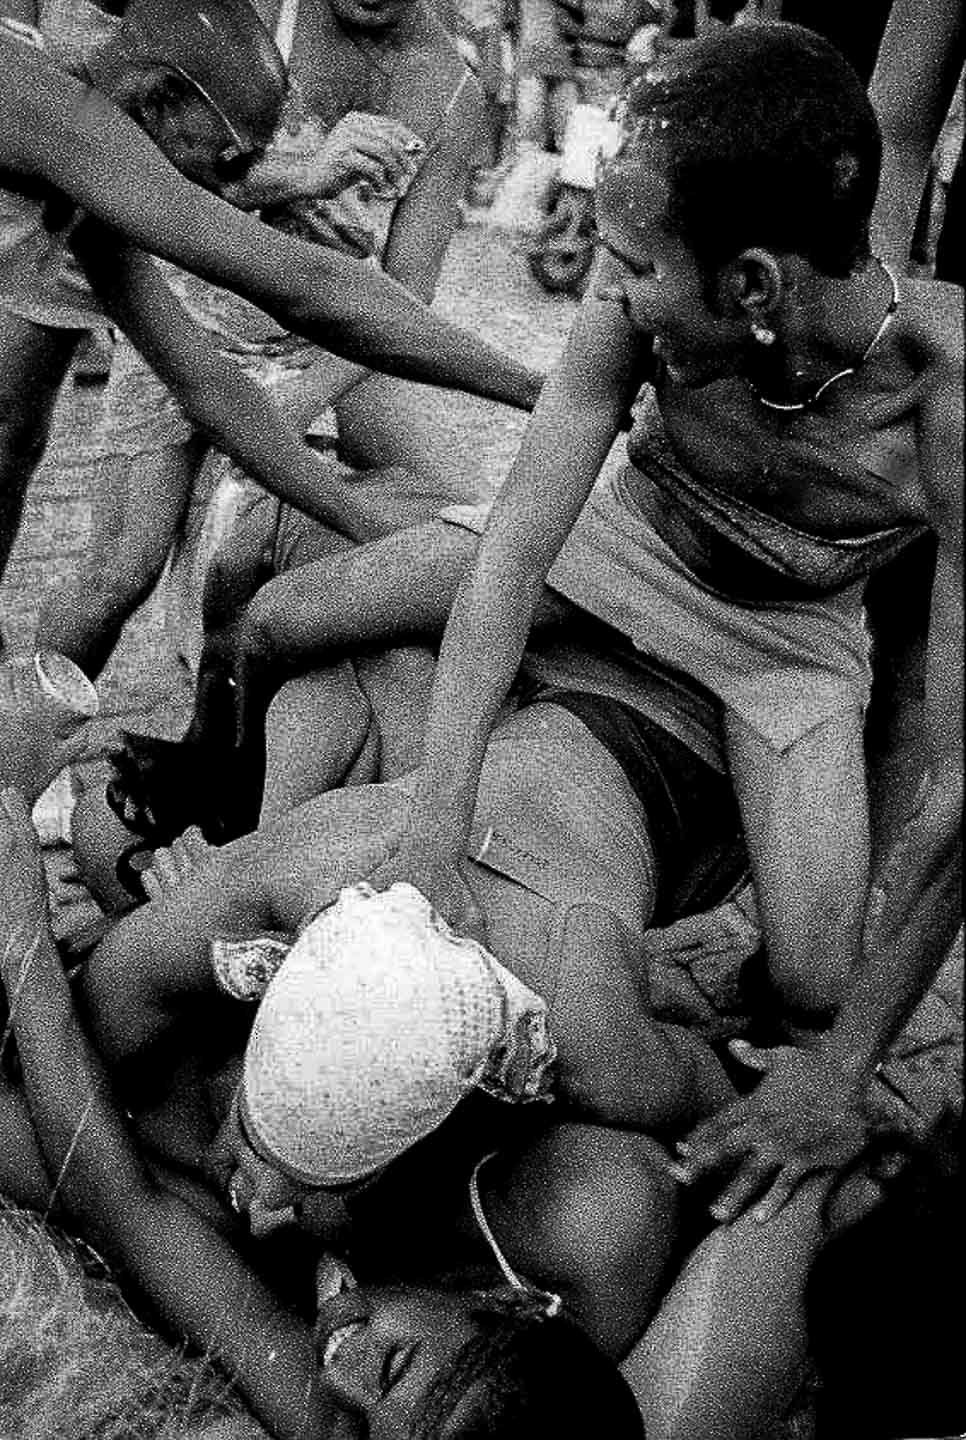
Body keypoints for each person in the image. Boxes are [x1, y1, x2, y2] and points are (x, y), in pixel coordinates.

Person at [145, 21, 960, 1216]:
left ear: (751, 287)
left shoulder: (947, 397)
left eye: (635, 265)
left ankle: (675, 995)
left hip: (783, 645)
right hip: (612, 543)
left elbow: (957, 783)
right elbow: (515, 556)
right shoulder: (643, 297)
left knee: (816, 981)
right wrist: (434, 839)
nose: (606, 286)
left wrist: (840, 1073)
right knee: (274, 623)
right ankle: (227, 837)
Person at [0, 0, 541, 582]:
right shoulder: (70, 117)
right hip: (210, 298)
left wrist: (361, 518)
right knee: (88, 522)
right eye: (228, 154)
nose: (227, 175)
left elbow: (210, 386)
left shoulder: (100, 189)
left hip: (291, 344)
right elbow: (301, 284)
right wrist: (537, 388)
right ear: (161, 100)